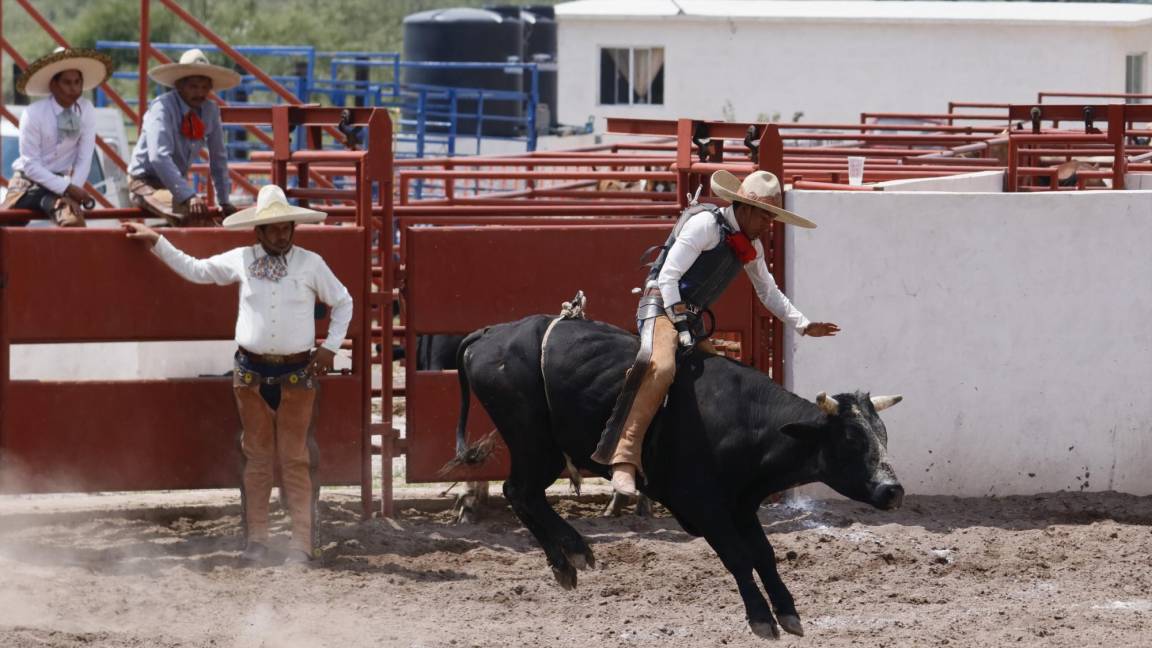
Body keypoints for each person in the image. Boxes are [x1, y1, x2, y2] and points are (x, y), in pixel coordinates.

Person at [122, 184, 354, 564]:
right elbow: (197, 271)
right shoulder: (242, 260)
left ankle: (301, 543)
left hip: (294, 371)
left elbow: (343, 300)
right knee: (260, 457)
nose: (281, 234)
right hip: (253, 373)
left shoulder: (310, 264)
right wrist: (158, 241)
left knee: (293, 457)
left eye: (286, 227)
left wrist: (330, 346)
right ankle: (258, 541)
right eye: (274, 228)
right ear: (258, 231)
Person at [591, 169, 841, 496]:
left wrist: (803, 324)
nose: (769, 225)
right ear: (747, 209)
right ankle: (623, 459)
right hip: (662, 307)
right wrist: (680, 322)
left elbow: (768, 291)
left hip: (689, 321)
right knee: (662, 368)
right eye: (766, 216)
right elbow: (667, 278)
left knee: (723, 382)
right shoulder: (706, 225)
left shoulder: (750, 244)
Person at [127, 48, 240, 227]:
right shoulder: (162, 108)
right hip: (145, 182)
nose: (199, 93)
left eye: (204, 87)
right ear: (179, 86)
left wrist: (224, 200)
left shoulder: (210, 110)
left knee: (201, 217)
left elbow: (218, 158)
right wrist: (188, 195)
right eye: (193, 86)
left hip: (173, 184)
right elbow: (159, 157)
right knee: (193, 216)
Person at [1, 48, 112, 227]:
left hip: (61, 183)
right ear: (53, 85)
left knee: (73, 224)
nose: (74, 89)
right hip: (26, 182)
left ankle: (48, 200)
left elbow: (84, 157)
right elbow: (30, 165)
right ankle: (46, 200)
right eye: (67, 82)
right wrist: (68, 189)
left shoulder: (86, 110)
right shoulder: (33, 114)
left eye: (77, 82)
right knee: (5, 223)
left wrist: (72, 191)